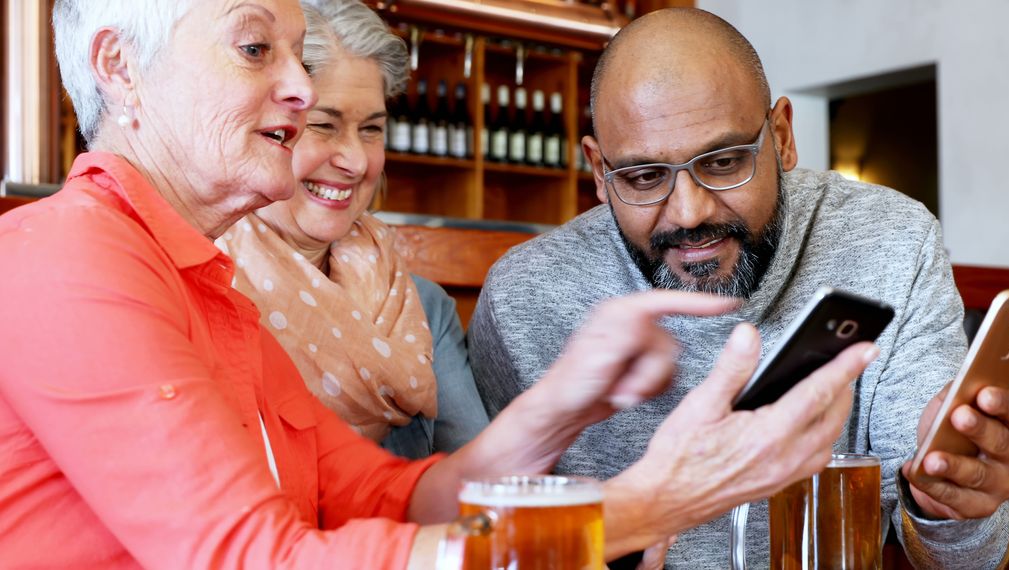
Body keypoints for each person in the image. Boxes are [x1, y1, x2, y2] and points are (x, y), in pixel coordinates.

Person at [0, 0, 878, 567]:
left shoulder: (202, 280)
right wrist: (649, 505)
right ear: (118, 67)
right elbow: (252, 559)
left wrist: (561, 405)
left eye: (299, 55)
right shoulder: (65, 257)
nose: (300, 87)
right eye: (256, 48)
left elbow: (393, 496)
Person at [469, 7, 1009, 568]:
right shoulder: (524, 296)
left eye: (722, 163)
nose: (688, 213)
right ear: (598, 171)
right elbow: (479, 539)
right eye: (644, 177)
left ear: (783, 137)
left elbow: (966, 559)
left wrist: (951, 501)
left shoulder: (891, 241)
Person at [216, 0, 487, 460]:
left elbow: (480, 480)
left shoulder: (421, 306)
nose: (356, 161)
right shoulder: (207, 292)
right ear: (266, 127)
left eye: (371, 130)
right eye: (324, 125)